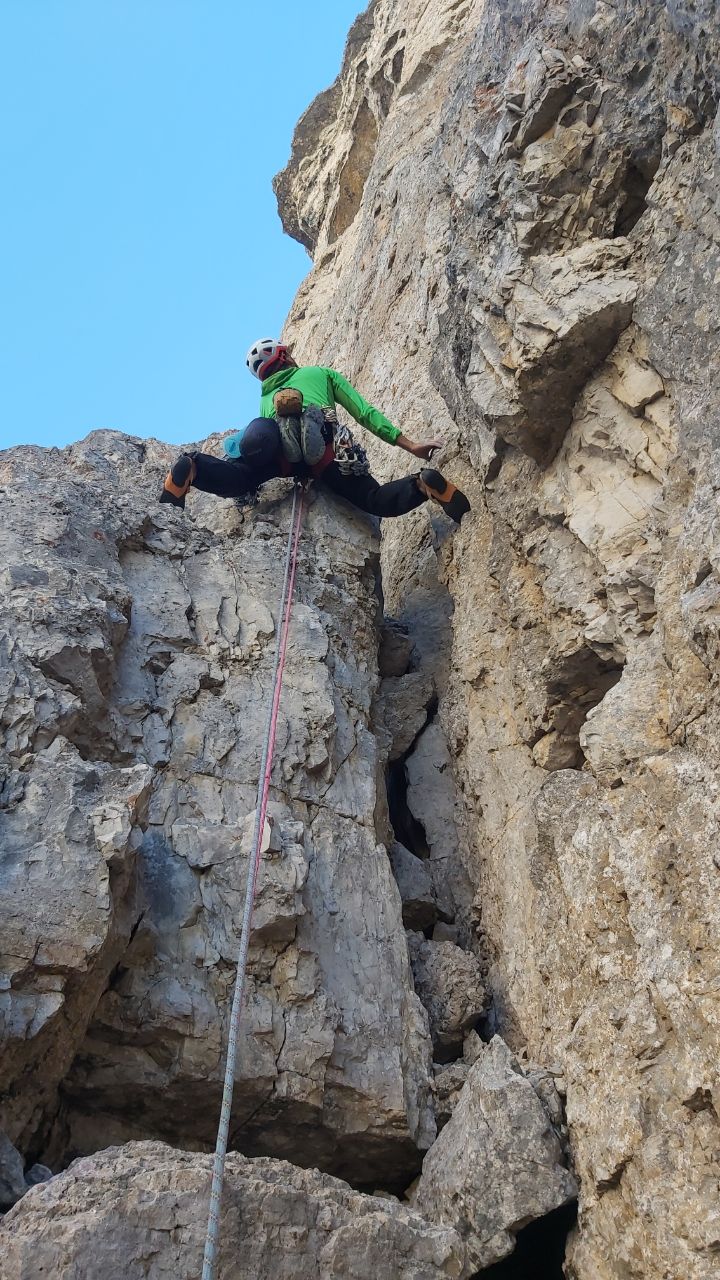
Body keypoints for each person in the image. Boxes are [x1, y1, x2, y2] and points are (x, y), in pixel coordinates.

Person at [159, 338, 470, 523]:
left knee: (240, 479)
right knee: (374, 499)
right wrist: (410, 445)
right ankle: (423, 485)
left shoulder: (266, 399)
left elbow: (263, 445)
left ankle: (193, 468)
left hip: (283, 457)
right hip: (327, 452)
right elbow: (364, 413)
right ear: (285, 356)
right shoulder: (321, 373)